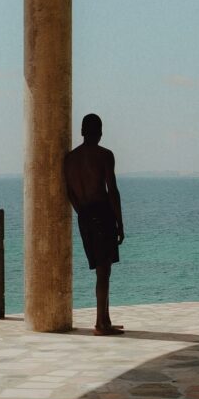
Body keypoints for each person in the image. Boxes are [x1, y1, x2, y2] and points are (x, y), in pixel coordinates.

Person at [64, 114, 125, 335]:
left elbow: (70, 192)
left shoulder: (69, 159)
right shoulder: (105, 155)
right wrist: (120, 221)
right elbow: (112, 191)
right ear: (99, 132)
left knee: (101, 270)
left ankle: (105, 318)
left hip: (85, 216)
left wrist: (82, 213)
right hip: (102, 213)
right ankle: (101, 324)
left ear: (82, 131)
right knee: (103, 271)